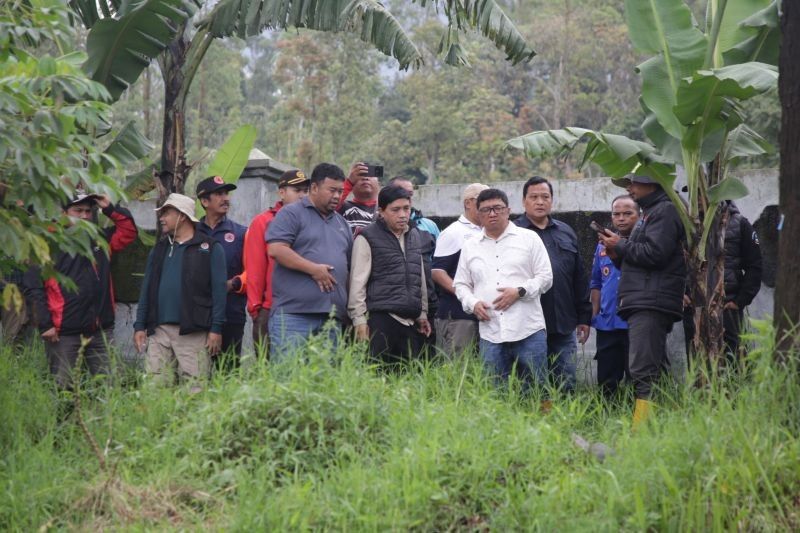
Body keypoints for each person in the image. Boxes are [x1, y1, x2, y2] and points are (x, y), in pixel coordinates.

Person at [23, 192, 138, 389]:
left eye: (88, 211)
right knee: (63, 388)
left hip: (100, 329)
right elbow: (34, 286)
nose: (84, 216)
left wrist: (109, 208)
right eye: (78, 211)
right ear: (63, 212)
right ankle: (63, 420)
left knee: (108, 388)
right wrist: (45, 324)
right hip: (63, 332)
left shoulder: (99, 239)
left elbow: (128, 231)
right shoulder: (47, 243)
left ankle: (102, 420)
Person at [598, 175, 686, 429]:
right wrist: (616, 253)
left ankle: (641, 429)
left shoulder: (665, 211)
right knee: (652, 365)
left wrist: (621, 245)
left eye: (633, 183)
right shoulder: (651, 212)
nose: (629, 187)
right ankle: (663, 424)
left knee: (642, 368)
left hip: (651, 300)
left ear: (653, 183)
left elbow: (656, 254)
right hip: (644, 297)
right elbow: (638, 259)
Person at [454, 188, 553, 390]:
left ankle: (543, 421)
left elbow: (546, 277)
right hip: (491, 332)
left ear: (508, 210)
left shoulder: (529, 238)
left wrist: (520, 291)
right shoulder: (470, 246)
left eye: (497, 208)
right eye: (486, 210)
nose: (492, 214)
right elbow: (461, 284)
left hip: (528, 329)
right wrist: (473, 304)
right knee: (493, 392)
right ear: (478, 214)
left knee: (537, 389)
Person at [133, 194, 227, 387]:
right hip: (159, 331)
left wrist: (216, 329)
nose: (162, 218)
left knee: (195, 388)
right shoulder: (159, 249)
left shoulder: (210, 247)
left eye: (166, 212)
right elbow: (147, 289)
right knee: (155, 386)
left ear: (182, 216)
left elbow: (219, 292)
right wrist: (139, 325)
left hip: (193, 331)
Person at [267, 163, 353, 361]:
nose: (337, 196)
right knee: (287, 379)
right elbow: (276, 249)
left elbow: (347, 267)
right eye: (332, 190)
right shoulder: (291, 213)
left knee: (324, 385)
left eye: (340, 191)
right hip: (294, 316)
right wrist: (314, 270)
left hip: (332, 319)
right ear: (314, 188)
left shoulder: (342, 223)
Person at [515, 176, 591, 392]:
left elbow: (579, 276)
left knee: (566, 380)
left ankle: (564, 423)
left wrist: (584, 316)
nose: (540, 202)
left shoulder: (565, 231)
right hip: (528, 323)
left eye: (545, 197)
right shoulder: (514, 233)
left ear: (552, 200)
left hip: (564, 322)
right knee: (531, 382)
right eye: (534, 197)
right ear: (524, 202)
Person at [349, 186, 432, 365]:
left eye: (406, 209)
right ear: (381, 211)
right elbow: (357, 282)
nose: (403, 215)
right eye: (395, 210)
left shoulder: (414, 235)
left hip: (410, 322)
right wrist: (359, 319)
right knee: (377, 377)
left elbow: (419, 276)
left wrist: (422, 313)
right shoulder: (367, 237)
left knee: (409, 380)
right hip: (381, 320)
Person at [683, 200, 762, 364]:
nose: (698, 198)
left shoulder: (739, 223)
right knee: (698, 360)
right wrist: (683, 294)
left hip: (726, 304)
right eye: (695, 193)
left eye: (702, 192)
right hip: (695, 306)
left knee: (732, 356)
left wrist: (740, 301)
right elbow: (677, 264)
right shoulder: (687, 223)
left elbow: (755, 265)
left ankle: (736, 389)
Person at [243, 169, 309, 354]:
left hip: (304, 307)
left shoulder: (312, 219)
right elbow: (255, 269)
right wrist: (256, 310)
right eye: (297, 191)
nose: (303, 196)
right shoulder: (263, 221)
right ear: (281, 192)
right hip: (270, 308)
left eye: (306, 190)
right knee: (270, 369)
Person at [590, 195, 639, 395]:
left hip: (635, 322)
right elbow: (596, 283)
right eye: (616, 214)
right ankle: (607, 419)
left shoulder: (646, 244)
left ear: (639, 215)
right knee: (606, 381)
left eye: (628, 213)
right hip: (607, 322)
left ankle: (640, 420)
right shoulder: (602, 246)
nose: (621, 218)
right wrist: (594, 314)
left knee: (638, 378)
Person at [431, 183, 488, 357]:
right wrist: (467, 297)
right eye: (482, 201)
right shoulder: (454, 232)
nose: (487, 207)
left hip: (484, 316)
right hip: (458, 316)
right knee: (458, 369)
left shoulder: (488, 231)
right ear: (469, 203)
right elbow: (437, 272)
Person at [195, 176, 247, 364]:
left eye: (227, 193)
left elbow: (253, 271)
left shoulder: (241, 233)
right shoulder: (192, 233)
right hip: (196, 315)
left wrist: (234, 283)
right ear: (204, 201)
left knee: (228, 372)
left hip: (231, 314)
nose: (226, 198)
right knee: (195, 373)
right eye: (219, 194)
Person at [386, 176, 440, 352]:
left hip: (426, 307)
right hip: (391, 309)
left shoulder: (428, 227)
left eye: (409, 195)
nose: (407, 198)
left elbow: (434, 266)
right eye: (402, 193)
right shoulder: (377, 231)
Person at [338, 162, 379, 234]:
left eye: (370, 175)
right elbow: (327, 205)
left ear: (378, 183)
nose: (366, 178)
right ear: (351, 185)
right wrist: (349, 182)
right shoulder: (341, 207)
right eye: (360, 175)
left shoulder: (386, 210)